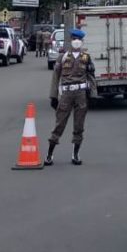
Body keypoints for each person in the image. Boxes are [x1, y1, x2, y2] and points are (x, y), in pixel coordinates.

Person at [46, 28, 95, 166]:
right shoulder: (62, 57)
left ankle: (75, 154)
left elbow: (91, 77)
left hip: (81, 94)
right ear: (70, 40)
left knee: (79, 126)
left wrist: (92, 95)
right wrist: (53, 96)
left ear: (82, 41)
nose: (76, 41)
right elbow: (55, 77)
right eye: (74, 39)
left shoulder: (86, 57)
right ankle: (49, 154)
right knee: (59, 124)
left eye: (78, 39)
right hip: (66, 94)